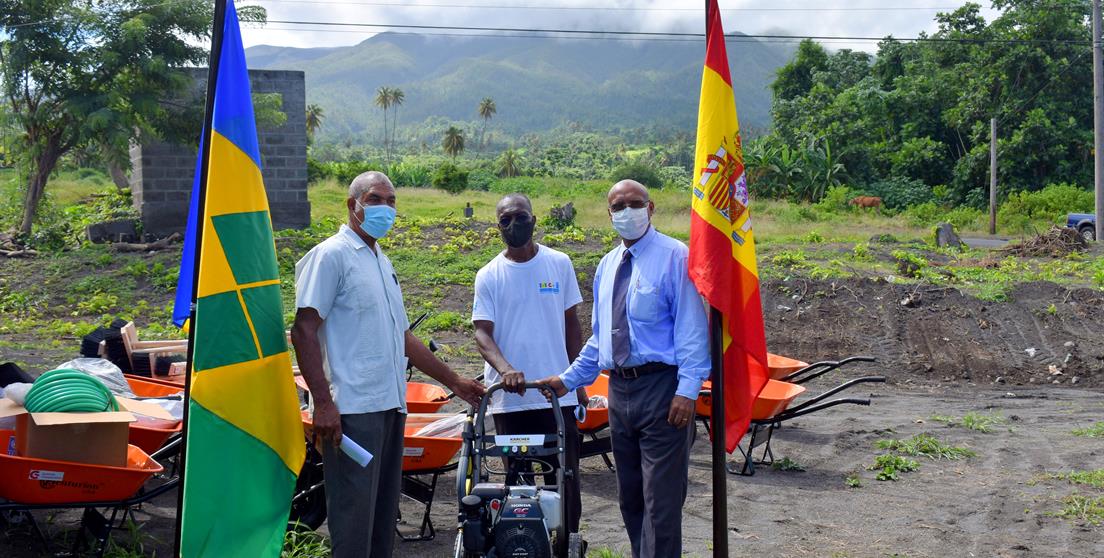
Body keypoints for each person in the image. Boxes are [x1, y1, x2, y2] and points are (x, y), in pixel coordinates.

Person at [290, 171, 484, 558]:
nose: (386, 208)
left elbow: (403, 338)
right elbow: (303, 330)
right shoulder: (332, 255)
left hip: (390, 406)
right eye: (376, 199)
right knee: (353, 521)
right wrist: (325, 404)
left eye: (392, 201)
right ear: (353, 205)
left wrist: (455, 381)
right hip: (352, 411)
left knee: (381, 522)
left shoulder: (381, 261)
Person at [539, 179, 710, 558]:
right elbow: (602, 339)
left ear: (650, 209)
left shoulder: (675, 257)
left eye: (635, 203)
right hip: (619, 392)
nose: (627, 211)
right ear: (609, 214)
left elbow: (692, 330)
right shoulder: (607, 264)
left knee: (661, 506)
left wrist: (687, 391)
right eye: (619, 206)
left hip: (663, 392)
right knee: (630, 498)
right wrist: (567, 380)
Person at [471, 193, 585, 539]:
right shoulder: (489, 274)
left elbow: (572, 325)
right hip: (511, 398)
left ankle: (566, 542)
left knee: (564, 478)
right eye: (505, 220)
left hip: (556, 394)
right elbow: (482, 334)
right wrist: (506, 369)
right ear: (498, 226)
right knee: (517, 482)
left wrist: (576, 380)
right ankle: (521, 542)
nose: (513, 225)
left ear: (534, 220)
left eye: (520, 217)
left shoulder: (559, 263)